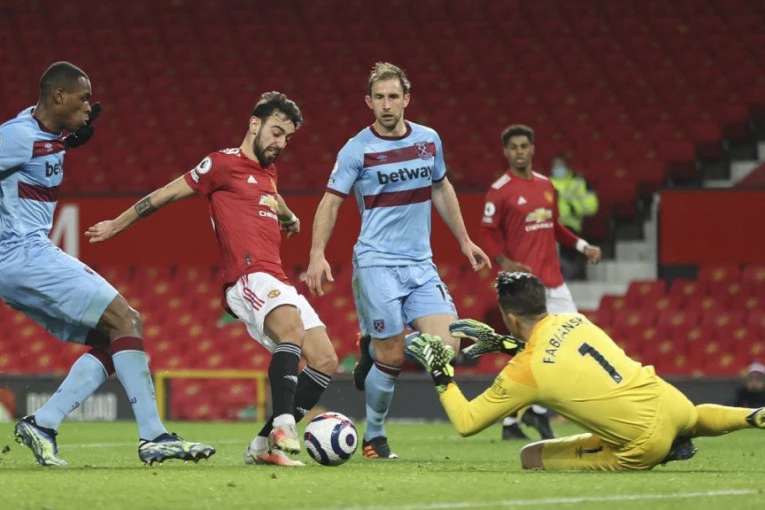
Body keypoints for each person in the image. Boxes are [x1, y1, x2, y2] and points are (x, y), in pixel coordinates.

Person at [86, 91, 338, 467]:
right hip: (247, 276)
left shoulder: (269, 173)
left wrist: (289, 216)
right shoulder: (220, 164)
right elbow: (165, 194)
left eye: (287, 137)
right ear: (254, 124)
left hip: (276, 276)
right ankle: (284, 425)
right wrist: (116, 225)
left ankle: (263, 446)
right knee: (291, 328)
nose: (281, 143)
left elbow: (272, 195)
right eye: (276, 132)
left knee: (325, 359)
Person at [0, 62, 214, 466]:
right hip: (24, 253)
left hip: (19, 260)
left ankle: (43, 424)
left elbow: (35, 149)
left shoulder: (42, 132)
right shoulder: (18, 136)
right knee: (126, 319)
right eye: (83, 99)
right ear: (58, 96)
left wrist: (62, 139)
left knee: (114, 338)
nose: (89, 108)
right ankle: (154, 436)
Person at [305, 62, 490, 459]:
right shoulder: (356, 149)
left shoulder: (429, 140)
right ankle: (374, 435)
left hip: (421, 264)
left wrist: (464, 240)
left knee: (447, 347)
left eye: (393, 96)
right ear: (368, 102)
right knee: (392, 357)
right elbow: (330, 202)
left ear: (407, 99)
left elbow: (441, 187)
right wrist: (317, 253)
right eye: (379, 98)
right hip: (376, 263)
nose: (386, 105)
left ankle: (372, 347)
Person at [406, 271, 765, 471]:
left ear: (510, 317)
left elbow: (467, 422)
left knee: (530, 457)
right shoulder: (574, 319)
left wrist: (441, 373)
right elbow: (555, 354)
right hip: (670, 401)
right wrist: (503, 343)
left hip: (641, 444)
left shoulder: (526, 370)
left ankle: (666, 447)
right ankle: (752, 416)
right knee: (693, 418)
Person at [480, 124, 602, 441]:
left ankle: (521, 417)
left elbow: (555, 226)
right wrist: (505, 262)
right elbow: (487, 234)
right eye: (513, 147)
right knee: (530, 351)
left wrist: (582, 246)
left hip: (555, 282)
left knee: (572, 339)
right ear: (506, 152)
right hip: (525, 285)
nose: (519, 152)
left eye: (524, 146)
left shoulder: (547, 186)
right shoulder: (499, 191)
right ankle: (524, 415)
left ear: (532, 149)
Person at [549, 154, 599, 281]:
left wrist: (574, 208)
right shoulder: (546, 183)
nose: (558, 168)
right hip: (549, 226)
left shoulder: (578, 183)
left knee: (567, 245)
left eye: (560, 165)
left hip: (571, 225)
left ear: (567, 166)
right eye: (555, 166)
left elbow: (592, 206)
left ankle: (569, 274)